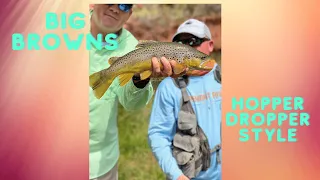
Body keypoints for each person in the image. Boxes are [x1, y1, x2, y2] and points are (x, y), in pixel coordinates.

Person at [89, 4, 187, 180]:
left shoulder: (132, 46)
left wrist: (140, 78)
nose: (115, 8)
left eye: (124, 5)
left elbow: (132, 103)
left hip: (100, 164)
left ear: (129, 14)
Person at [148, 19, 222, 180]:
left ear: (210, 45)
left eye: (191, 41)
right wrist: (177, 176)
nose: (185, 49)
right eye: (179, 44)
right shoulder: (168, 87)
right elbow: (158, 135)